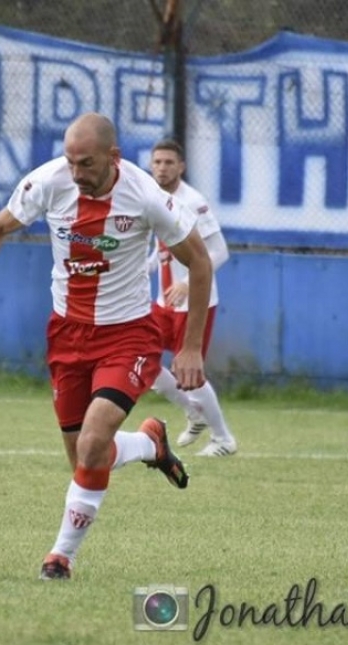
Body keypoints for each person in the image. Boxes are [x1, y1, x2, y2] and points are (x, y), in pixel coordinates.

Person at [0, 112, 213, 580]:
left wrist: (192, 347)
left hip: (129, 335)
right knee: (85, 458)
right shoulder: (49, 182)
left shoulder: (145, 196)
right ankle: (148, 443)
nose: (76, 173)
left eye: (87, 164)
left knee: (96, 441)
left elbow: (199, 263)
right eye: (70, 161)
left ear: (113, 158)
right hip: (68, 335)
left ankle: (60, 557)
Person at [148, 138, 237, 457]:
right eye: (157, 161)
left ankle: (224, 439)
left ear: (181, 167)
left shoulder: (194, 201)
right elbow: (159, 252)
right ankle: (193, 412)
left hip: (193, 301)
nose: (162, 167)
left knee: (190, 372)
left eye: (169, 162)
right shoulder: (150, 195)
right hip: (163, 302)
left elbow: (220, 252)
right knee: (143, 362)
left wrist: (187, 282)